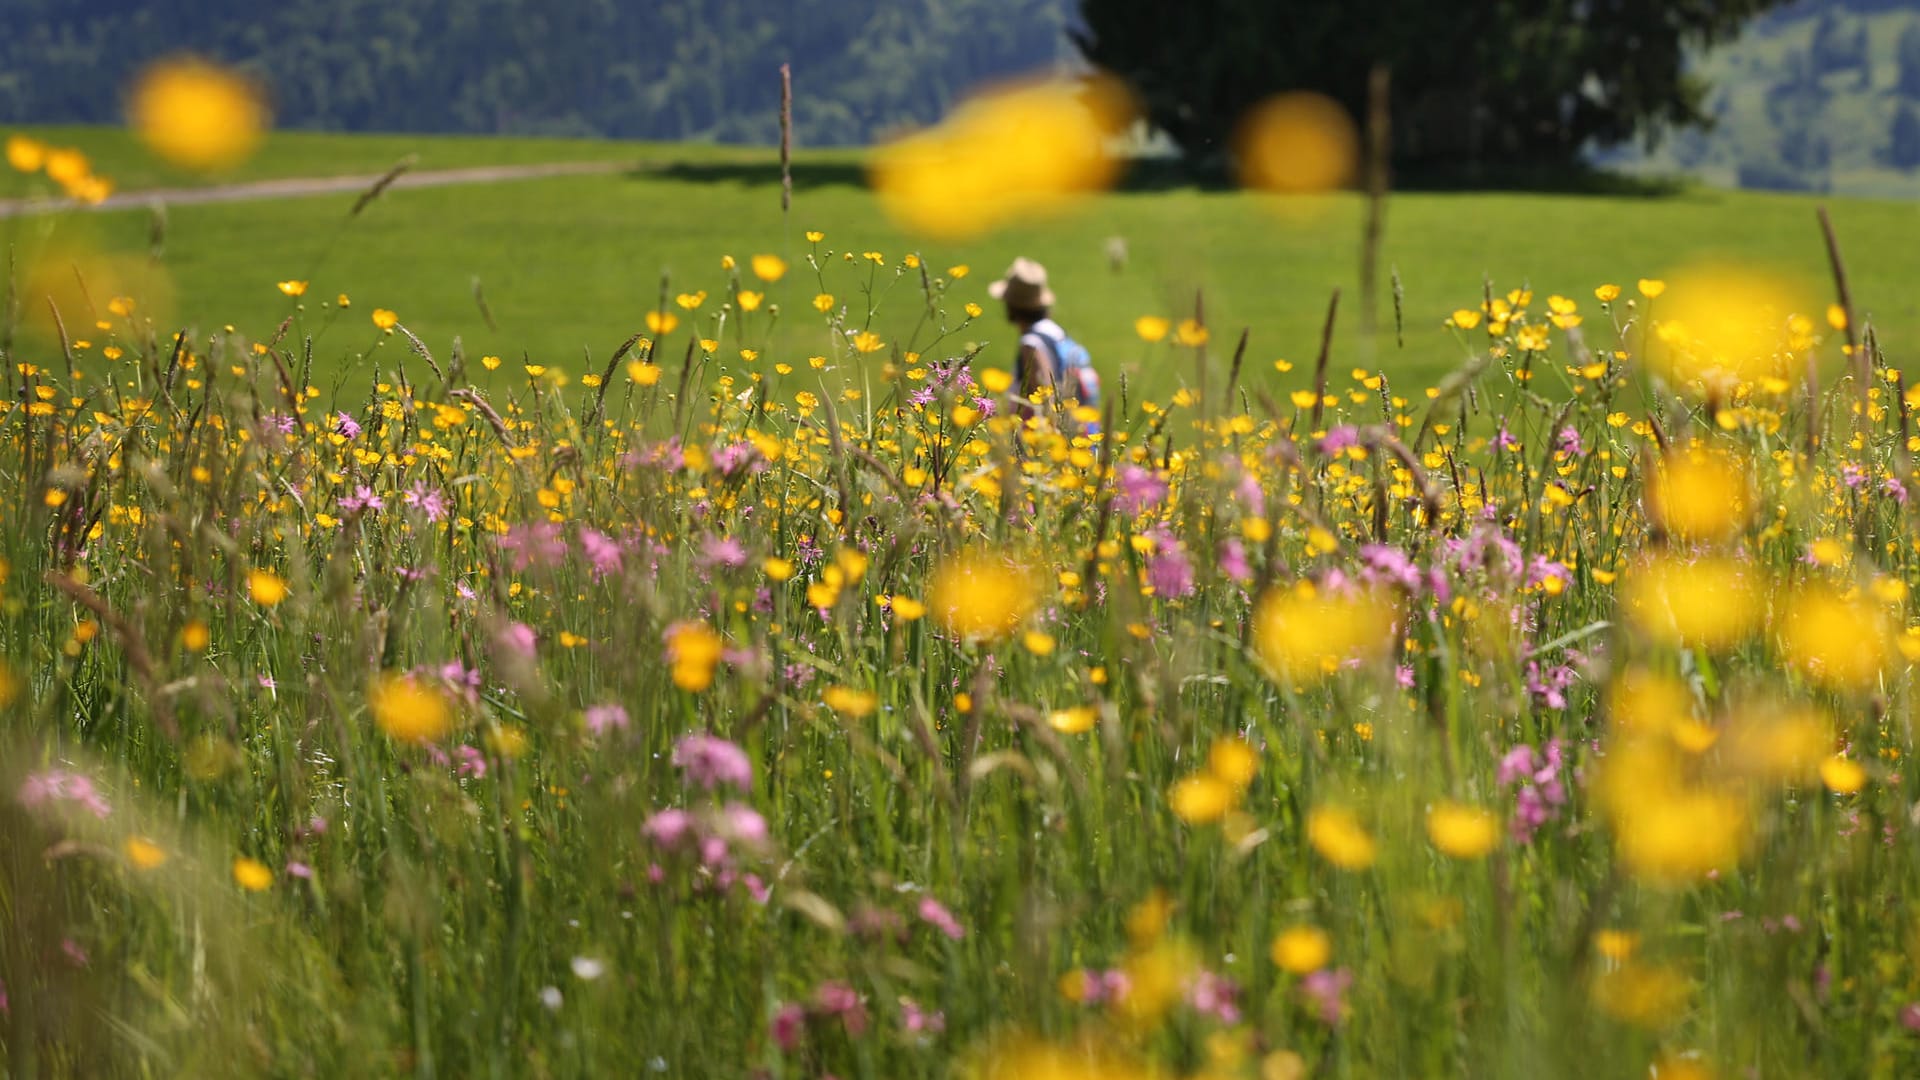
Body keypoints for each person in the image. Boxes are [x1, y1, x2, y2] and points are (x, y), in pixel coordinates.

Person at [986, 257, 1100, 418]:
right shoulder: (1056, 333)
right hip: (1080, 429)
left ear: (1011, 305)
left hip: (1046, 438)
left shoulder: (1031, 345)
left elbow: (1047, 399)